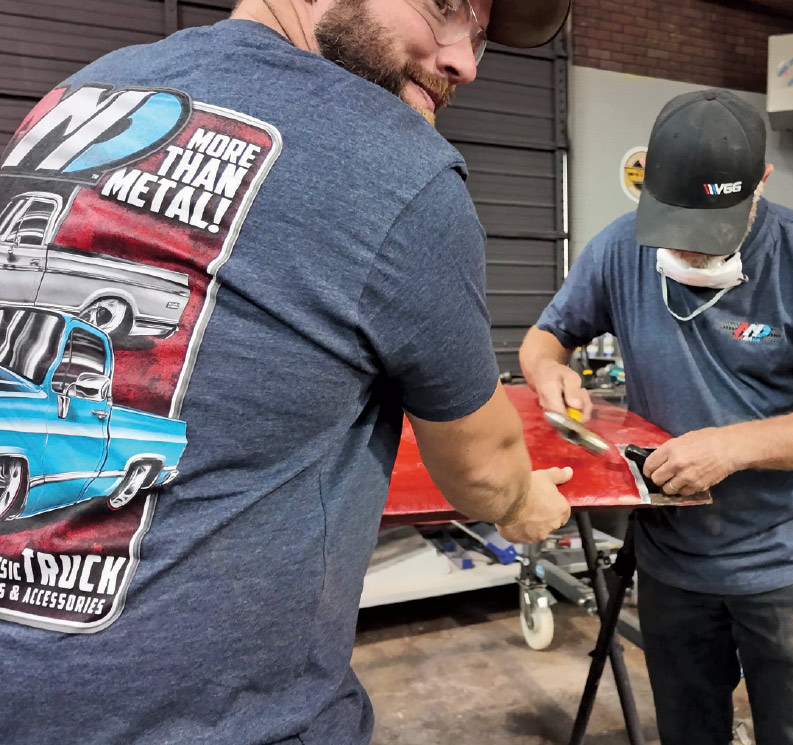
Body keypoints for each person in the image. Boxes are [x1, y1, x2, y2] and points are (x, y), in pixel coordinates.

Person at [0, 1, 573, 744]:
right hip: (219, 721)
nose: (466, 60)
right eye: (446, 6)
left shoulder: (81, 92)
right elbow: (485, 470)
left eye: (484, 35)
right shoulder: (401, 164)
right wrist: (525, 504)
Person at [519, 89, 793, 745]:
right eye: (677, 229)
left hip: (790, 566)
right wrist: (549, 371)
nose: (690, 253)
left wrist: (732, 447)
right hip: (674, 562)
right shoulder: (618, 251)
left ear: (762, 183)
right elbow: (544, 339)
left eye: (709, 233)